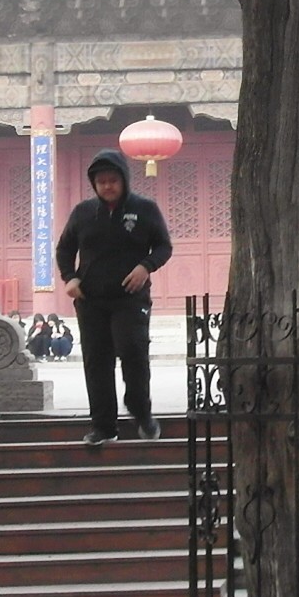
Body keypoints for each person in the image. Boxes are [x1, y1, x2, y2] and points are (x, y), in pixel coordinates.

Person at [54, 150, 174, 445]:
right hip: (91, 299)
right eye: (101, 181)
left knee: (133, 352)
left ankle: (141, 413)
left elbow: (163, 246)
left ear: (124, 180)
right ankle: (104, 427)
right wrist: (69, 277)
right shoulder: (83, 213)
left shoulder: (144, 209)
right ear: (93, 184)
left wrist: (145, 267)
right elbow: (64, 249)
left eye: (113, 180)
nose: (107, 186)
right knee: (97, 361)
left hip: (130, 299)